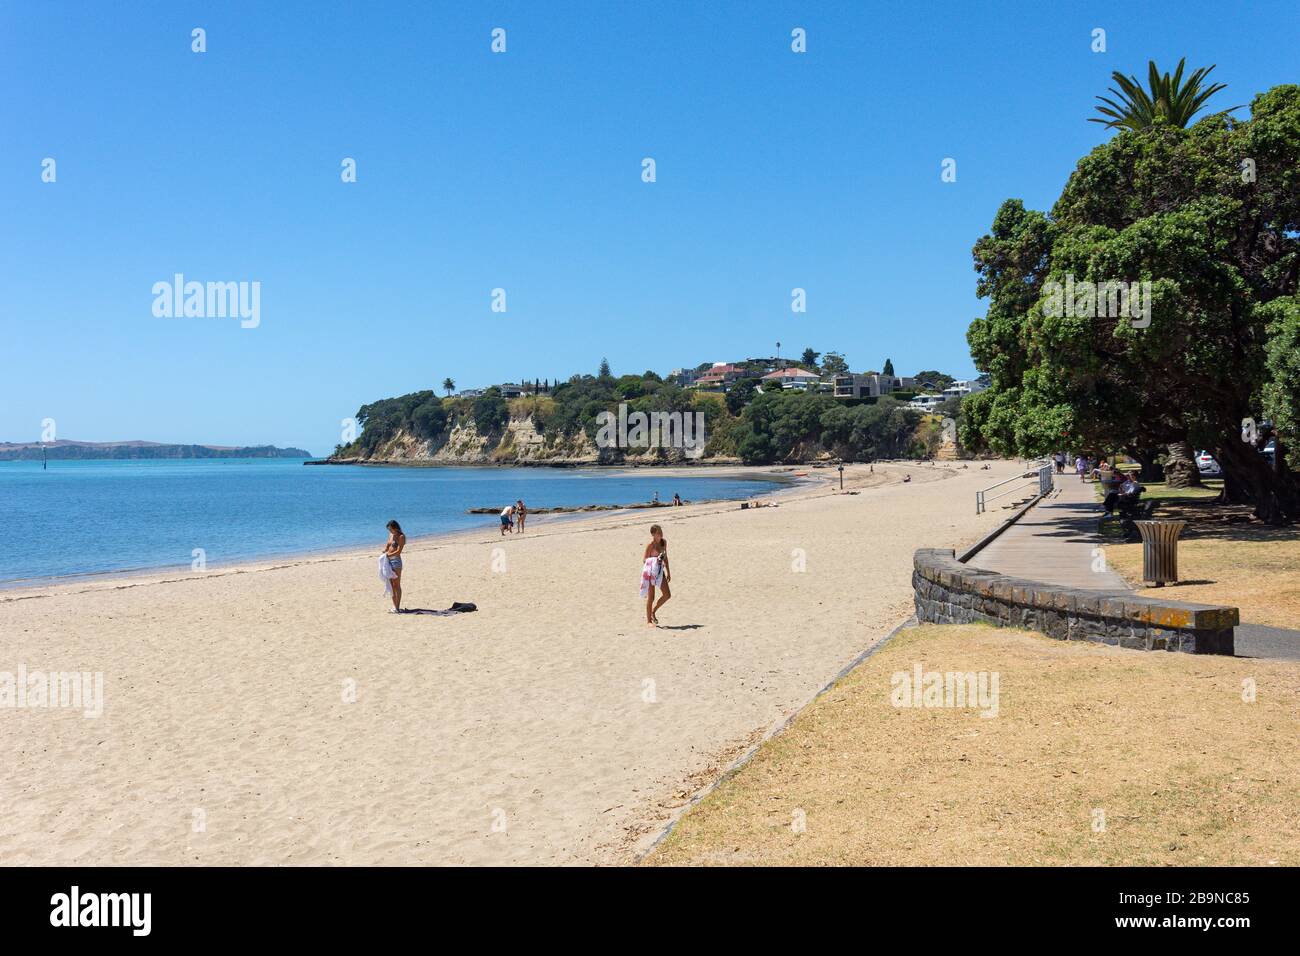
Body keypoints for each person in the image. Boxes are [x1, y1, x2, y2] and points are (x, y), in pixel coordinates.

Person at [640, 524, 671, 626]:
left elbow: (665, 557)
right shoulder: (650, 545)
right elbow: (644, 560)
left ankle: (653, 611)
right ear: (653, 534)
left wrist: (668, 571)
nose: (661, 534)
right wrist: (655, 559)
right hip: (650, 572)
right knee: (651, 597)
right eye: (658, 533)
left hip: (660, 572)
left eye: (661, 531)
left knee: (667, 595)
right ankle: (649, 621)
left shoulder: (663, 542)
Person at [381, 519, 406, 613]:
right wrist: (385, 551)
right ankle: (394, 606)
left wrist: (388, 555)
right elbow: (388, 545)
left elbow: (399, 551)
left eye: (391, 529)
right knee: (391, 584)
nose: (390, 531)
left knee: (396, 584)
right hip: (388, 561)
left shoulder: (401, 536)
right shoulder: (391, 535)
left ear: (395, 528)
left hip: (396, 562)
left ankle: (397, 607)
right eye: (389, 530)